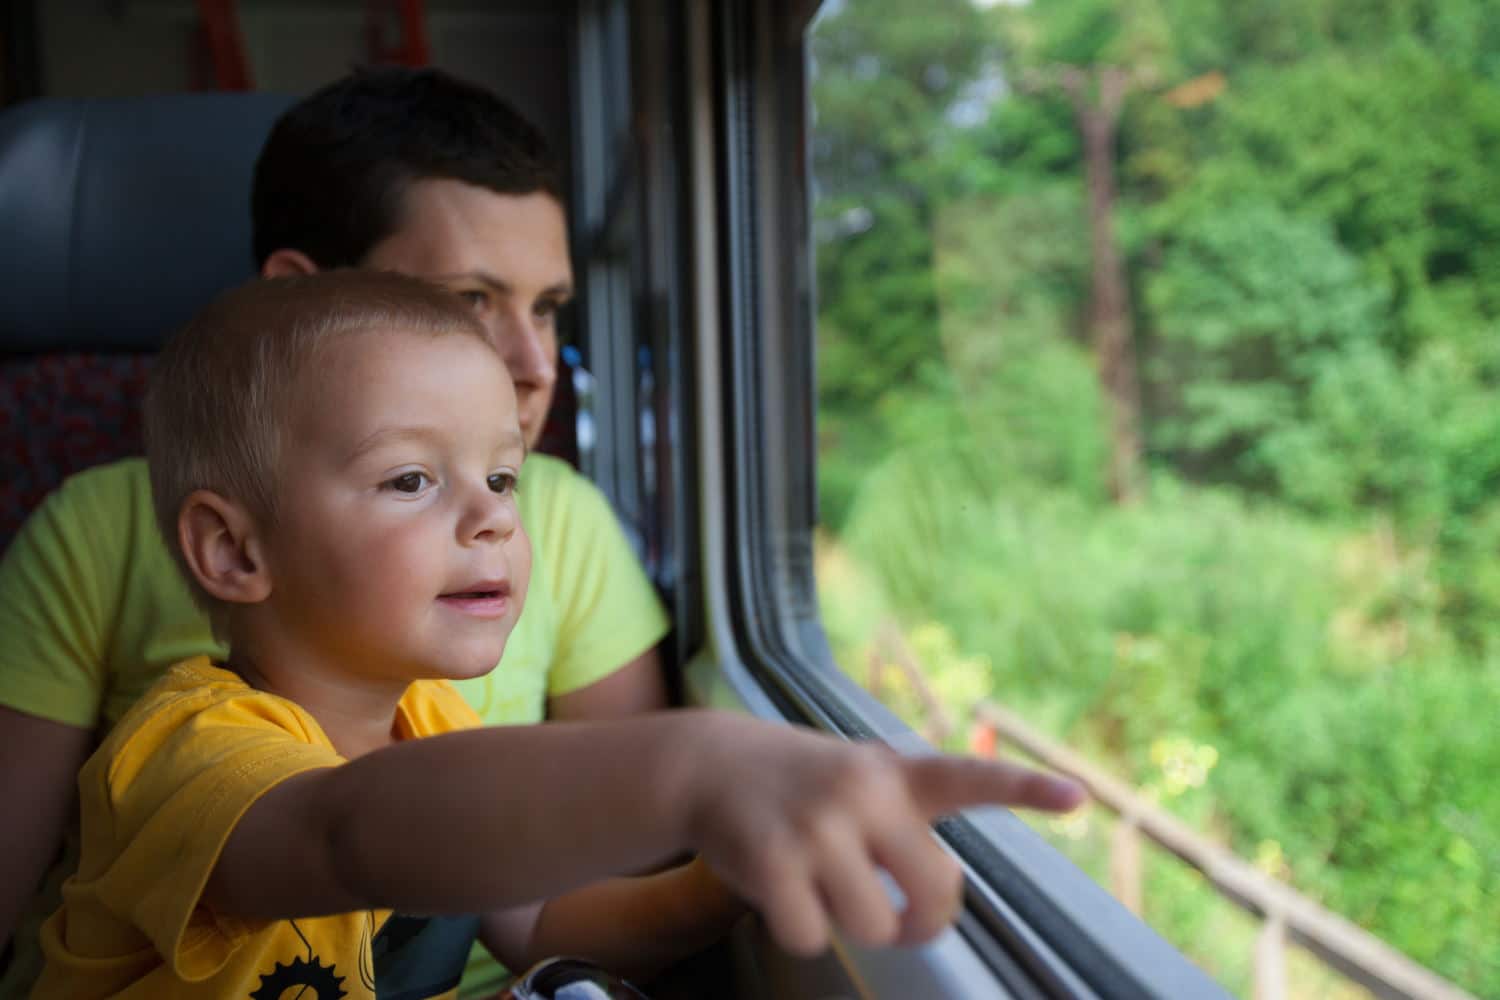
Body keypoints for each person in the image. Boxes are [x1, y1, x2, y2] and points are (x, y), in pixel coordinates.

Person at [31, 271, 1084, 999]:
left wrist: (721, 881)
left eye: (501, 476)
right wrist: (696, 765)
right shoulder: (182, 754)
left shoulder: (430, 725)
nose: (493, 515)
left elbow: (536, 925)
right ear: (234, 552)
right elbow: (342, 837)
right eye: (411, 479)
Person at [0, 68, 668, 998]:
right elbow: (338, 834)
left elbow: (592, 872)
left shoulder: (529, 554)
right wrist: (697, 768)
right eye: (468, 303)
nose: (530, 362)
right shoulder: (117, 584)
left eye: (548, 306)